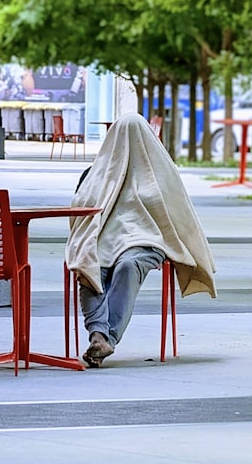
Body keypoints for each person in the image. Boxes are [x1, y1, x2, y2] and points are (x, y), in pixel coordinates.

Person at [65, 113, 216, 367]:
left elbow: (179, 213)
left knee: (128, 265)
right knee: (89, 265)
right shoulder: (95, 173)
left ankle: (104, 337)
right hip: (102, 238)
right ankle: (100, 337)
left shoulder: (162, 173)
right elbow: (80, 208)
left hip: (148, 241)